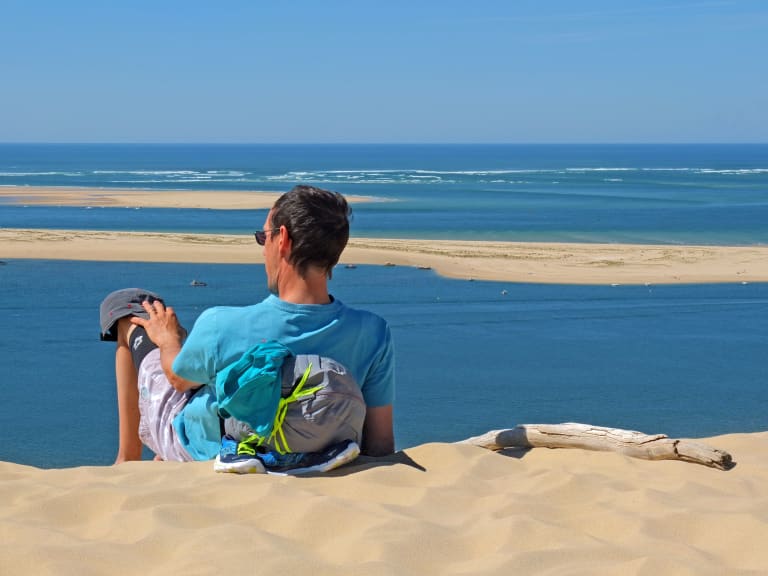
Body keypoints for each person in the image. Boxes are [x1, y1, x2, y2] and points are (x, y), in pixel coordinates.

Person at [100, 185, 395, 469]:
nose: (262, 248)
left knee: (126, 307)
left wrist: (168, 341)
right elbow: (380, 444)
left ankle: (127, 461)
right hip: (318, 446)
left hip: (206, 447)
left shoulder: (221, 323)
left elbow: (177, 379)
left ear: (282, 239)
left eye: (262, 237)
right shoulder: (374, 333)